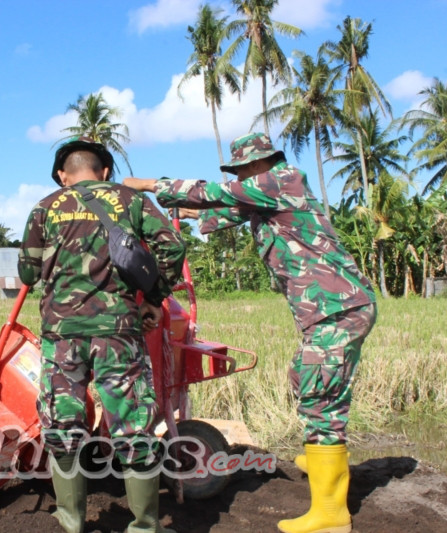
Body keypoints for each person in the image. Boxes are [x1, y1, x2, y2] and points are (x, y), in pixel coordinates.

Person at [124, 132, 377, 533]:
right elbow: (219, 212)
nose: (241, 177)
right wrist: (183, 213)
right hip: (329, 312)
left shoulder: (283, 180)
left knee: (320, 397)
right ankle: (320, 456)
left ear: (260, 165)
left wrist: (147, 185)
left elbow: (217, 193)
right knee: (303, 376)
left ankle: (331, 514)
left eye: (243, 170)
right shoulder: (265, 204)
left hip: (338, 309)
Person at [18, 137, 185, 533]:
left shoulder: (44, 208)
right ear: (106, 171)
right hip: (118, 333)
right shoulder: (131, 200)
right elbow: (172, 247)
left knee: (64, 424)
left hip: (62, 334)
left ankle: (71, 520)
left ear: (62, 175)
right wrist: (155, 298)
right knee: (133, 425)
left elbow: (27, 273)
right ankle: (145, 525)